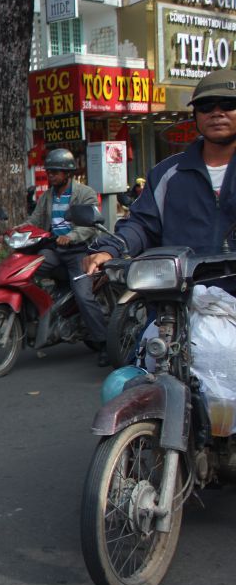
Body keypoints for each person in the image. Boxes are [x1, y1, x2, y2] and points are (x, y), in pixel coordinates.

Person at [85, 69, 236, 273]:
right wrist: (112, 249)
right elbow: (141, 225)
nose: (217, 113)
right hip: (179, 297)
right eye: (206, 106)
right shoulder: (167, 173)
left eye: (229, 104)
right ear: (195, 115)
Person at [25, 147, 108, 366]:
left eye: (56, 171)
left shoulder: (85, 193)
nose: (51, 175)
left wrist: (71, 236)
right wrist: (17, 232)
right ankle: (38, 316)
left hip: (77, 252)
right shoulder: (47, 196)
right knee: (24, 269)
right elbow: (34, 220)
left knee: (84, 296)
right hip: (52, 250)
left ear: (68, 173)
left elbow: (92, 225)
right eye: (50, 171)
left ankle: (104, 344)